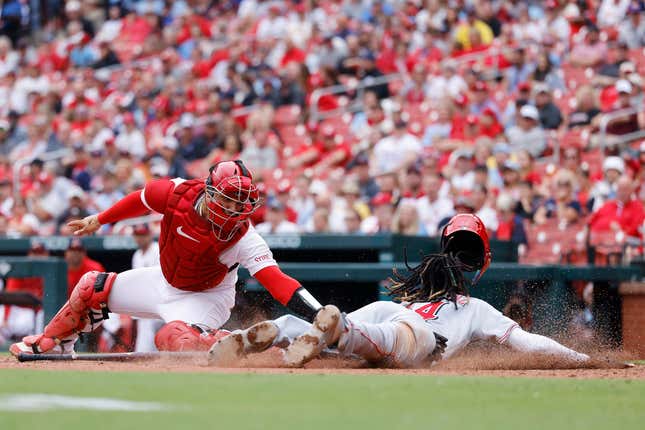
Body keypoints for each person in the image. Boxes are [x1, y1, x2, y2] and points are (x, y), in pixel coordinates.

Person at [10, 160, 322, 357]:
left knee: (173, 339)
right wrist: (102, 219)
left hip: (205, 297)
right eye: (228, 199)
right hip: (163, 280)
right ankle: (56, 342)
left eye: (241, 202)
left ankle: (240, 340)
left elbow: (277, 281)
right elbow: (141, 199)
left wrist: (319, 313)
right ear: (209, 191)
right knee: (91, 287)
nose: (234, 209)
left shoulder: (245, 236)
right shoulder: (177, 194)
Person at [209, 214, 589, 368]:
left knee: (324, 338)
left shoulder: (415, 297)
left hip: (385, 309)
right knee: (385, 341)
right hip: (414, 334)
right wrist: (584, 360)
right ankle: (340, 328)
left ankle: (277, 329)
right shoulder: (475, 308)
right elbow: (528, 343)